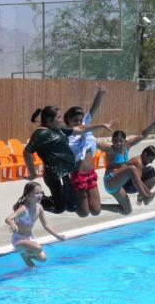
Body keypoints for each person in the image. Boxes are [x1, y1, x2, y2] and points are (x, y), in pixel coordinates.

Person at [23, 105, 116, 214]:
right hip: (53, 175)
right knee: (59, 208)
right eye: (58, 118)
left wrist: (101, 125)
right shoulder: (40, 133)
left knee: (72, 206)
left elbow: (80, 129)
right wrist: (33, 173)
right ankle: (29, 200)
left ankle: (46, 199)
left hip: (65, 173)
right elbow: (27, 152)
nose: (61, 120)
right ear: (49, 120)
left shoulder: (59, 129)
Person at [98, 118, 155, 215]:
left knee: (127, 210)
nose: (118, 144)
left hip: (118, 186)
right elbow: (94, 143)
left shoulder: (127, 146)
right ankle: (145, 196)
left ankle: (100, 206)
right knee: (132, 169)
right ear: (112, 141)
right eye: (116, 141)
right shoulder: (109, 149)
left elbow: (142, 135)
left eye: (121, 141)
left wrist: (154, 123)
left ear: (125, 141)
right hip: (110, 180)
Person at [64, 86, 105, 217]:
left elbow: (94, 108)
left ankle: (91, 201)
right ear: (68, 121)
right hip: (78, 175)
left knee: (96, 210)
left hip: (90, 173)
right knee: (83, 212)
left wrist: (100, 93)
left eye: (81, 120)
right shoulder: (66, 136)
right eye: (75, 121)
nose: (79, 123)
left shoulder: (86, 125)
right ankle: (66, 199)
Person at [4, 182, 65, 267]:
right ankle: (25, 255)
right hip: (18, 240)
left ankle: (28, 263)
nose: (40, 195)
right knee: (38, 248)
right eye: (36, 193)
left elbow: (46, 225)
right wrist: (12, 223)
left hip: (29, 239)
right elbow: (8, 219)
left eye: (41, 193)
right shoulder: (23, 208)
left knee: (43, 259)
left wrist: (57, 236)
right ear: (28, 195)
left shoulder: (39, 208)